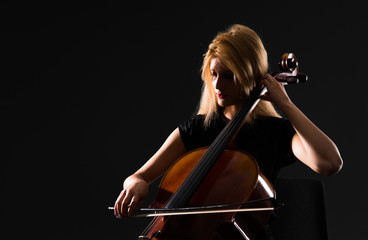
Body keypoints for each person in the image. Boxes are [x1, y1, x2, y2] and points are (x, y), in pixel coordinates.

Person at [113, 24, 343, 239]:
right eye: (213, 74)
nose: (217, 85)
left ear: (251, 76)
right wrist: (135, 183)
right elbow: (139, 176)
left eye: (228, 75)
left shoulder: (275, 133)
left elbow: (330, 163)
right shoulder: (197, 128)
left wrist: (287, 105)